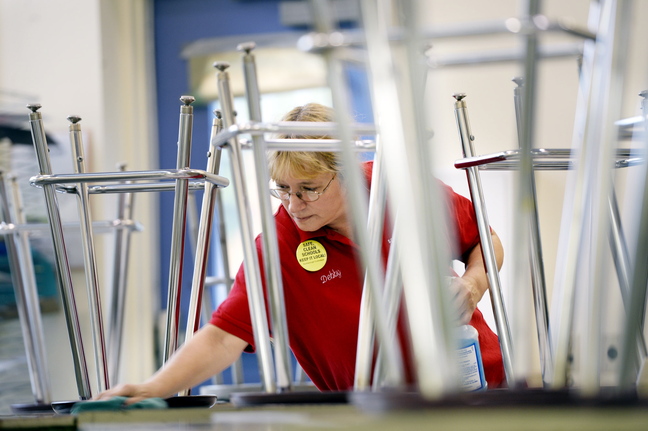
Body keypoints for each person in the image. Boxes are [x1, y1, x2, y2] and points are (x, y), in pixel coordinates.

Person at [97, 103, 505, 403]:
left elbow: (485, 243)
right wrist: (154, 387)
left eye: (309, 189)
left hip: (480, 389)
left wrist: (473, 283)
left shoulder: (403, 191)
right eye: (283, 189)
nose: (294, 204)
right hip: (379, 413)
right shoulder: (277, 248)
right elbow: (224, 337)